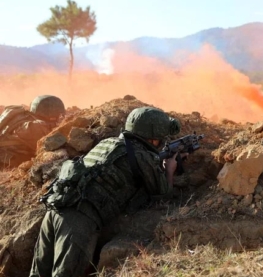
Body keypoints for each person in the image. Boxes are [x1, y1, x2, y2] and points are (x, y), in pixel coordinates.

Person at [29, 107, 181, 277]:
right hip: (79, 220)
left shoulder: (107, 143)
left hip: (55, 209)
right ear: (153, 138)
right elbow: (163, 193)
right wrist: (169, 170)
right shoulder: (140, 155)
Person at [0, 95, 65, 168]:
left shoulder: (24, 116)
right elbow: (49, 147)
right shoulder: (37, 126)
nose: (61, 117)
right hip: (6, 160)